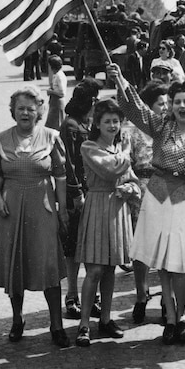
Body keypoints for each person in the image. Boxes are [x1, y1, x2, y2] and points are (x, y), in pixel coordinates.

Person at [112, 69, 185, 344]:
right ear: (171, 105)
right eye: (177, 102)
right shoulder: (162, 127)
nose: (182, 106)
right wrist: (122, 80)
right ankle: (169, 318)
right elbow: (136, 111)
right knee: (161, 259)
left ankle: (182, 316)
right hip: (157, 197)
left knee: (180, 262)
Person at [0, 86, 71, 347]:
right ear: (13, 111)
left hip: (42, 206)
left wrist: (62, 210)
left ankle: (56, 324)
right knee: (16, 264)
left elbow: (60, 175)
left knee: (48, 264)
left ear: (39, 111)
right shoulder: (0, 139)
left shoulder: (51, 136)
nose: (25, 112)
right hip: (11, 209)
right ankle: (17, 320)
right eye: (20, 108)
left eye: (30, 108)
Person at [75, 99, 139, 347]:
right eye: (107, 121)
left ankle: (105, 318)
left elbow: (131, 179)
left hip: (117, 209)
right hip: (98, 206)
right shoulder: (89, 147)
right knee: (95, 270)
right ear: (97, 124)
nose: (113, 125)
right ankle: (83, 324)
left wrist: (130, 189)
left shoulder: (119, 150)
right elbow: (111, 171)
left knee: (111, 267)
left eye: (116, 121)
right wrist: (125, 151)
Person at [121, 81, 169, 322]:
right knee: (141, 248)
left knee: (163, 246)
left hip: (166, 190)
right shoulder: (131, 131)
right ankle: (141, 294)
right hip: (140, 189)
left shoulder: (170, 128)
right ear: (148, 107)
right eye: (161, 103)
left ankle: (165, 299)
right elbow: (126, 161)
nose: (166, 107)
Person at [59, 79, 104, 321]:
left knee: (90, 248)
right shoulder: (71, 126)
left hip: (94, 193)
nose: (96, 102)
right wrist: (76, 192)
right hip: (77, 196)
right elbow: (68, 163)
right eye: (93, 98)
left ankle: (91, 297)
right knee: (74, 247)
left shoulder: (89, 124)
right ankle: (72, 296)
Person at [45, 55, 67, 130]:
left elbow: (62, 93)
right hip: (54, 102)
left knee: (55, 125)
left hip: (57, 102)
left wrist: (51, 91)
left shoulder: (59, 76)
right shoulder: (56, 75)